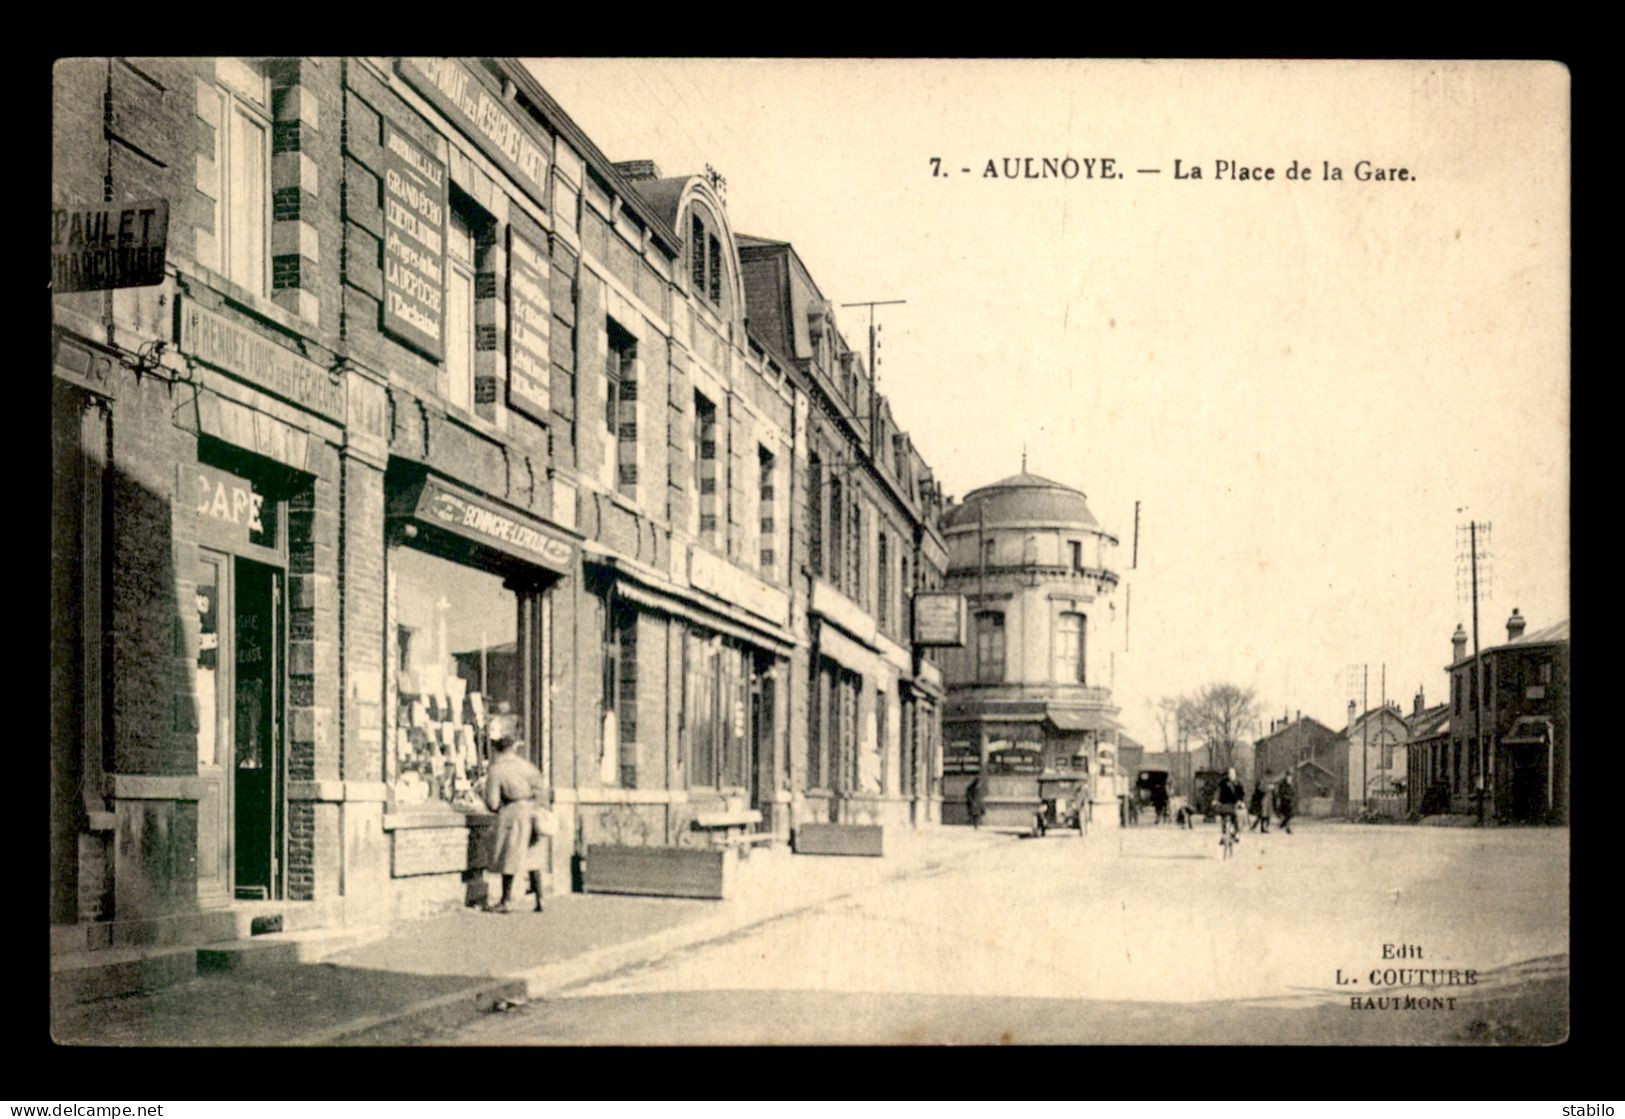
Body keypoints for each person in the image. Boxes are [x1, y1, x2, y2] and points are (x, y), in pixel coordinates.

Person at [483, 736, 549, 913]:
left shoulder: (497, 770)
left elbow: (493, 802)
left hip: (513, 814)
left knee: (509, 855)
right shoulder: (527, 766)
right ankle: (540, 899)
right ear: (513, 748)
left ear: (497, 750)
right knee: (532, 856)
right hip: (533, 812)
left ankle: (506, 901)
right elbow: (542, 790)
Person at [1215, 766, 1246, 846]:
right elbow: (1218, 792)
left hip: (1235, 804)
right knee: (1223, 819)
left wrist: (1241, 802)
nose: (1231, 775)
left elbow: (1242, 794)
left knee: (1239, 818)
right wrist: (1215, 800)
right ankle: (1223, 835)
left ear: (1235, 774)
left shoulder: (1239, 783)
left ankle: (1236, 833)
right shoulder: (1222, 783)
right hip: (1225, 804)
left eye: (1232, 773)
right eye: (1229, 773)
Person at [1276, 770, 1296, 834]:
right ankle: (1283, 825)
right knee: (1288, 815)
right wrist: (1285, 796)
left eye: (1291, 776)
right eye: (1289, 776)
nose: (1290, 777)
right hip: (1284, 801)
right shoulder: (1283, 783)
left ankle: (1286, 827)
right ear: (1287, 776)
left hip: (1288, 800)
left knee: (1288, 815)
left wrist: (1292, 795)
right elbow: (1281, 792)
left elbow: (1292, 792)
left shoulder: (1290, 784)